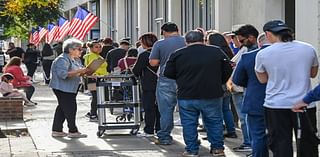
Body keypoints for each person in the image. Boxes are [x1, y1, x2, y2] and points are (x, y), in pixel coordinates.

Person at [255, 20, 318, 157]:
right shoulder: (308, 48)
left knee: (280, 144)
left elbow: (263, 79)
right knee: (308, 143)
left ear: (268, 34)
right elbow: (313, 74)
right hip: (305, 103)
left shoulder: (263, 54)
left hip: (276, 104)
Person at [164, 30, 233, 156]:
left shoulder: (178, 54)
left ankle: (191, 150)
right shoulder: (216, 51)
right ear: (203, 39)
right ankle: (217, 148)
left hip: (187, 94)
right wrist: (219, 81)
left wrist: (182, 79)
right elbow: (228, 68)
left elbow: (168, 73)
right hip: (212, 93)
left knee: (189, 123)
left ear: (186, 41)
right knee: (214, 121)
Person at [232, 33, 270, 157]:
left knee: (257, 135)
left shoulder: (248, 57)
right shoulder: (286, 56)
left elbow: (237, 79)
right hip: (281, 102)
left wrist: (249, 84)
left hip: (255, 99)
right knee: (281, 136)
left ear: (259, 43)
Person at [149, 22, 186, 145]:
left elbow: (153, 62)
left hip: (166, 79)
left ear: (164, 32)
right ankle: (190, 137)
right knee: (188, 110)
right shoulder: (188, 41)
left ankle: (164, 136)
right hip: (187, 79)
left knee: (165, 110)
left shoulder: (160, 43)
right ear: (178, 30)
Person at [49, 38, 88, 138]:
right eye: (79, 49)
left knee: (62, 108)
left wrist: (86, 72)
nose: (81, 51)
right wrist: (81, 71)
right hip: (63, 88)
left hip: (71, 88)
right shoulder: (62, 59)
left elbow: (78, 72)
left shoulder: (76, 59)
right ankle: (73, 131)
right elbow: (63, 74)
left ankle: (57, 130)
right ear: (71, 49)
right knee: (70, 109)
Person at [229, 24, 259, 152]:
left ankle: (250, 143)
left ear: (251, 37)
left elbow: (239, 76)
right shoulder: (247, 50)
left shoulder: (250, 52)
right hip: (244, 89)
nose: (239, 42)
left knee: (246, 119)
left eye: (241, 40)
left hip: (245, 89)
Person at [207, 32, 237, 138]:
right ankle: (231, 130)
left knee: (216, 110)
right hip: (227, 83)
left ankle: (217, 133)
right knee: (226, 109)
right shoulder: (228, 52)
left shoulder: (214, 53)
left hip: (217, 84)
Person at [132, 33, 160, 137]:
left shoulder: (144, 55)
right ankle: (159, 129)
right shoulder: (161, 53)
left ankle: (149, 130)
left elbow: (136, 71)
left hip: (148, 84)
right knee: (160, 108)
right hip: (162, 83)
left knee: (149, 107)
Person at [83, 40, 108, 122]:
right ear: (91, 48)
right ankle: (93, 114)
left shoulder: (98, 56)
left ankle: (92, 113)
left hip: (99, 78)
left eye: (100, 46)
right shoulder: (92, 56)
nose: (99, 48)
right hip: (94, 78)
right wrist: (96, 74)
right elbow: (91, 68)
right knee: (96, 97)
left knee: (97, 97)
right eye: (96, 47)